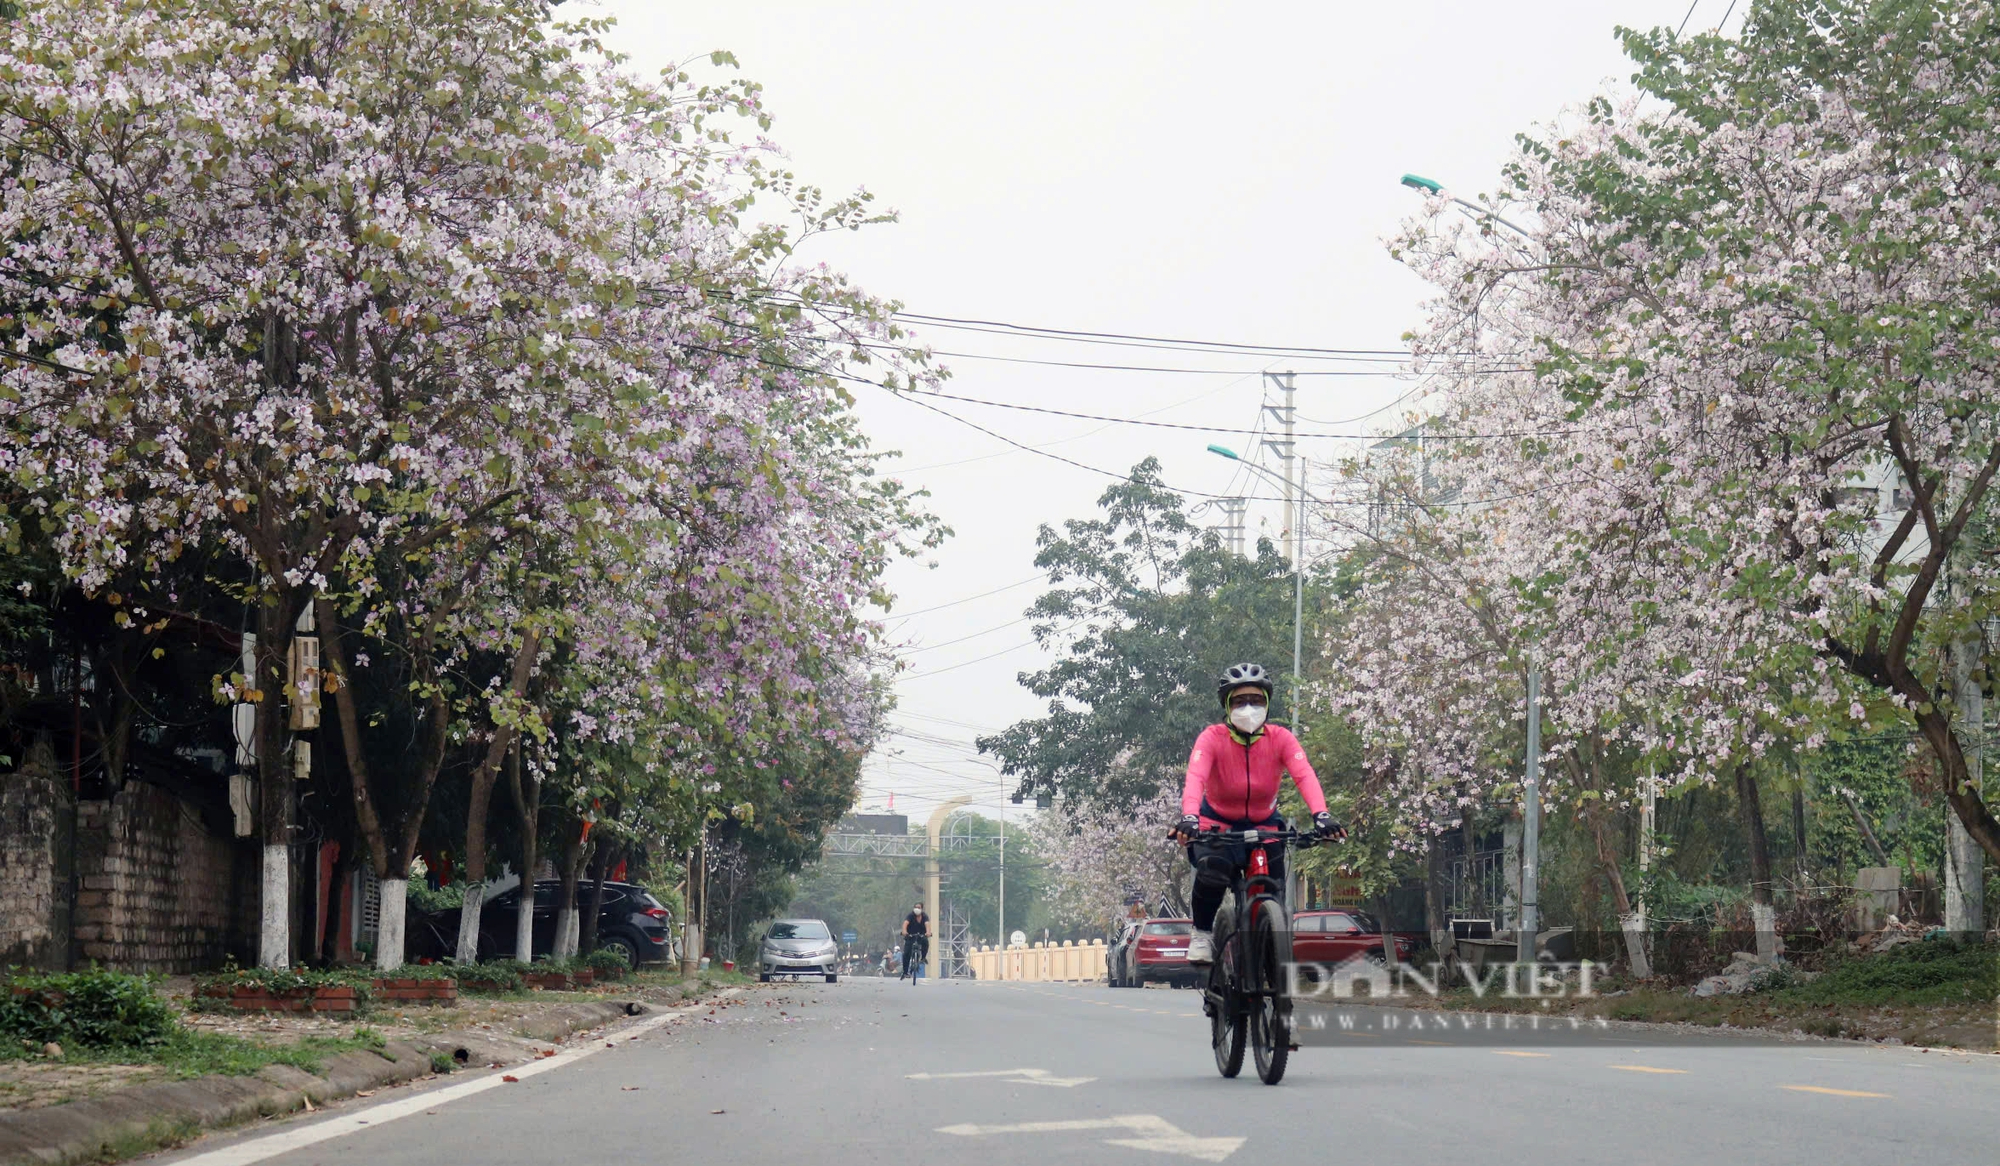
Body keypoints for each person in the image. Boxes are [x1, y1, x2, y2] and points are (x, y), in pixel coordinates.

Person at [1170, 662, 1345, 965]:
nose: (1248, 707)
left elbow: (1304, 774)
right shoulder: (1211, 738)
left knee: (1273, 884)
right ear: (1227, 705)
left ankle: (1268, 942)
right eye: (1239, 701)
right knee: (1212, 871)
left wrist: (1322, 815)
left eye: (1256, 700)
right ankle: (1201, 933)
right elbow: (1196, 777)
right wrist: (1190, 817)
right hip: (1218, 824)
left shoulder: (1281, 738)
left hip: (1266, 823)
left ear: (1267, 703)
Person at [901, 902, 932, 981]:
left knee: (925, 942)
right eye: (915, 907)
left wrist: (928, 932)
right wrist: (904, 931)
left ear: (922, 909)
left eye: (919, 907)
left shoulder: (924, 916)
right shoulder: (910, 915)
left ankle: (923, 957)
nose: (917, 909)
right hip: (911, 936)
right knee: (906, 953)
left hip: (921, 936)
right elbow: (905, 923)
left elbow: (927, 924)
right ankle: (905, 972)